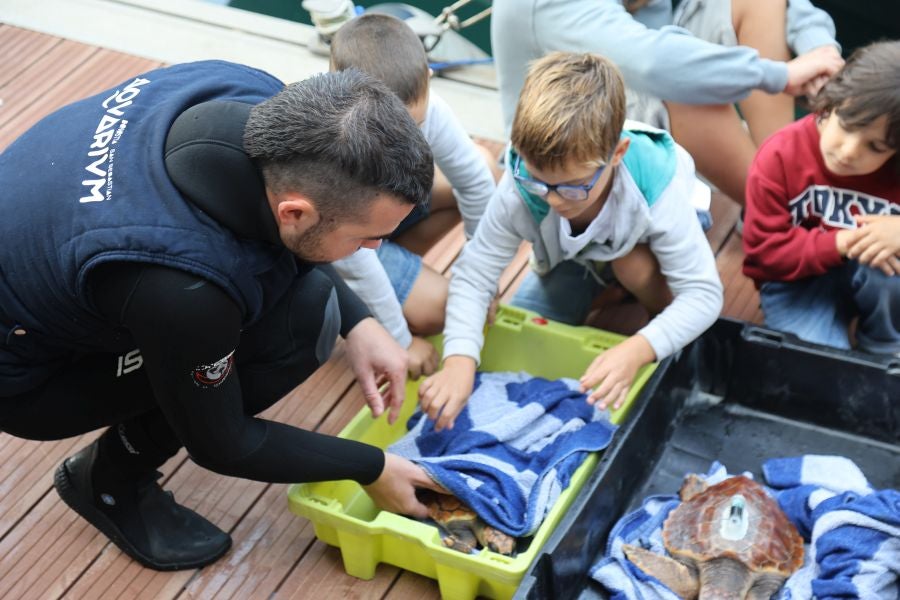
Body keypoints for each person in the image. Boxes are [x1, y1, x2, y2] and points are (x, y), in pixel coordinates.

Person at [0, 60, 445, 571]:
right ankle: (110, 481)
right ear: (294, 211)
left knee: (315, 304)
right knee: (299, 329)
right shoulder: (182, 288)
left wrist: (360, 320)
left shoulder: (251, 93)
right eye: (366, 237)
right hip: (29, 377)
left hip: (60, 260)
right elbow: (223, 444)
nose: (374, 249)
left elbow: (291, 241)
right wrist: (372, 467)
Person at [418, 52, 723, 431]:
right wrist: (459, 360)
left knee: (635, 269)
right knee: (529, 337)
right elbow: (474, 273)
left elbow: (704, 294)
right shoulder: (524, 183)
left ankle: (644, 301)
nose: (553, 199)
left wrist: (637, 349)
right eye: (537, 181)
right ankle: (606, 286)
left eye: (572, 187)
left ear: (618, 154)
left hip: (646, 247)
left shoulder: (657, 183)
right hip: (576, 253)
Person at [490, 0, 846, 206]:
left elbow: (792, 6)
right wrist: (781, 75)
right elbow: (652, 62)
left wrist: (819, 50)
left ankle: (789, 179)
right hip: (563, 164)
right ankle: (781, 210)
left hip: (632, 94)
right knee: (686, 90)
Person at [329, 13, 499, 379]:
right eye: (388, 133)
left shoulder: (431, 107)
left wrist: (484, 276)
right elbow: (354, 258)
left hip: (378, 220)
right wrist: (401, 340)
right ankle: (385, 296)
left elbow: (474, 184)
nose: (403, 139)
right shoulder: (336, 143)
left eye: (414, 126)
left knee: (485, 167)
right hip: (343, 249)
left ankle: (402, 267)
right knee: (444, 310)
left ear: (428, 79)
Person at [742, 41, 900, 354]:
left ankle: (884, 345)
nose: (849, 150)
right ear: (829, 103)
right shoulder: (780, 155)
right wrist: (842, 242)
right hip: (795, 285)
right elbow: (763, 254)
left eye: (876, 147)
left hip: (880, 279)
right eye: (846, 126)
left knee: (889, 267)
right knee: (817, 364)